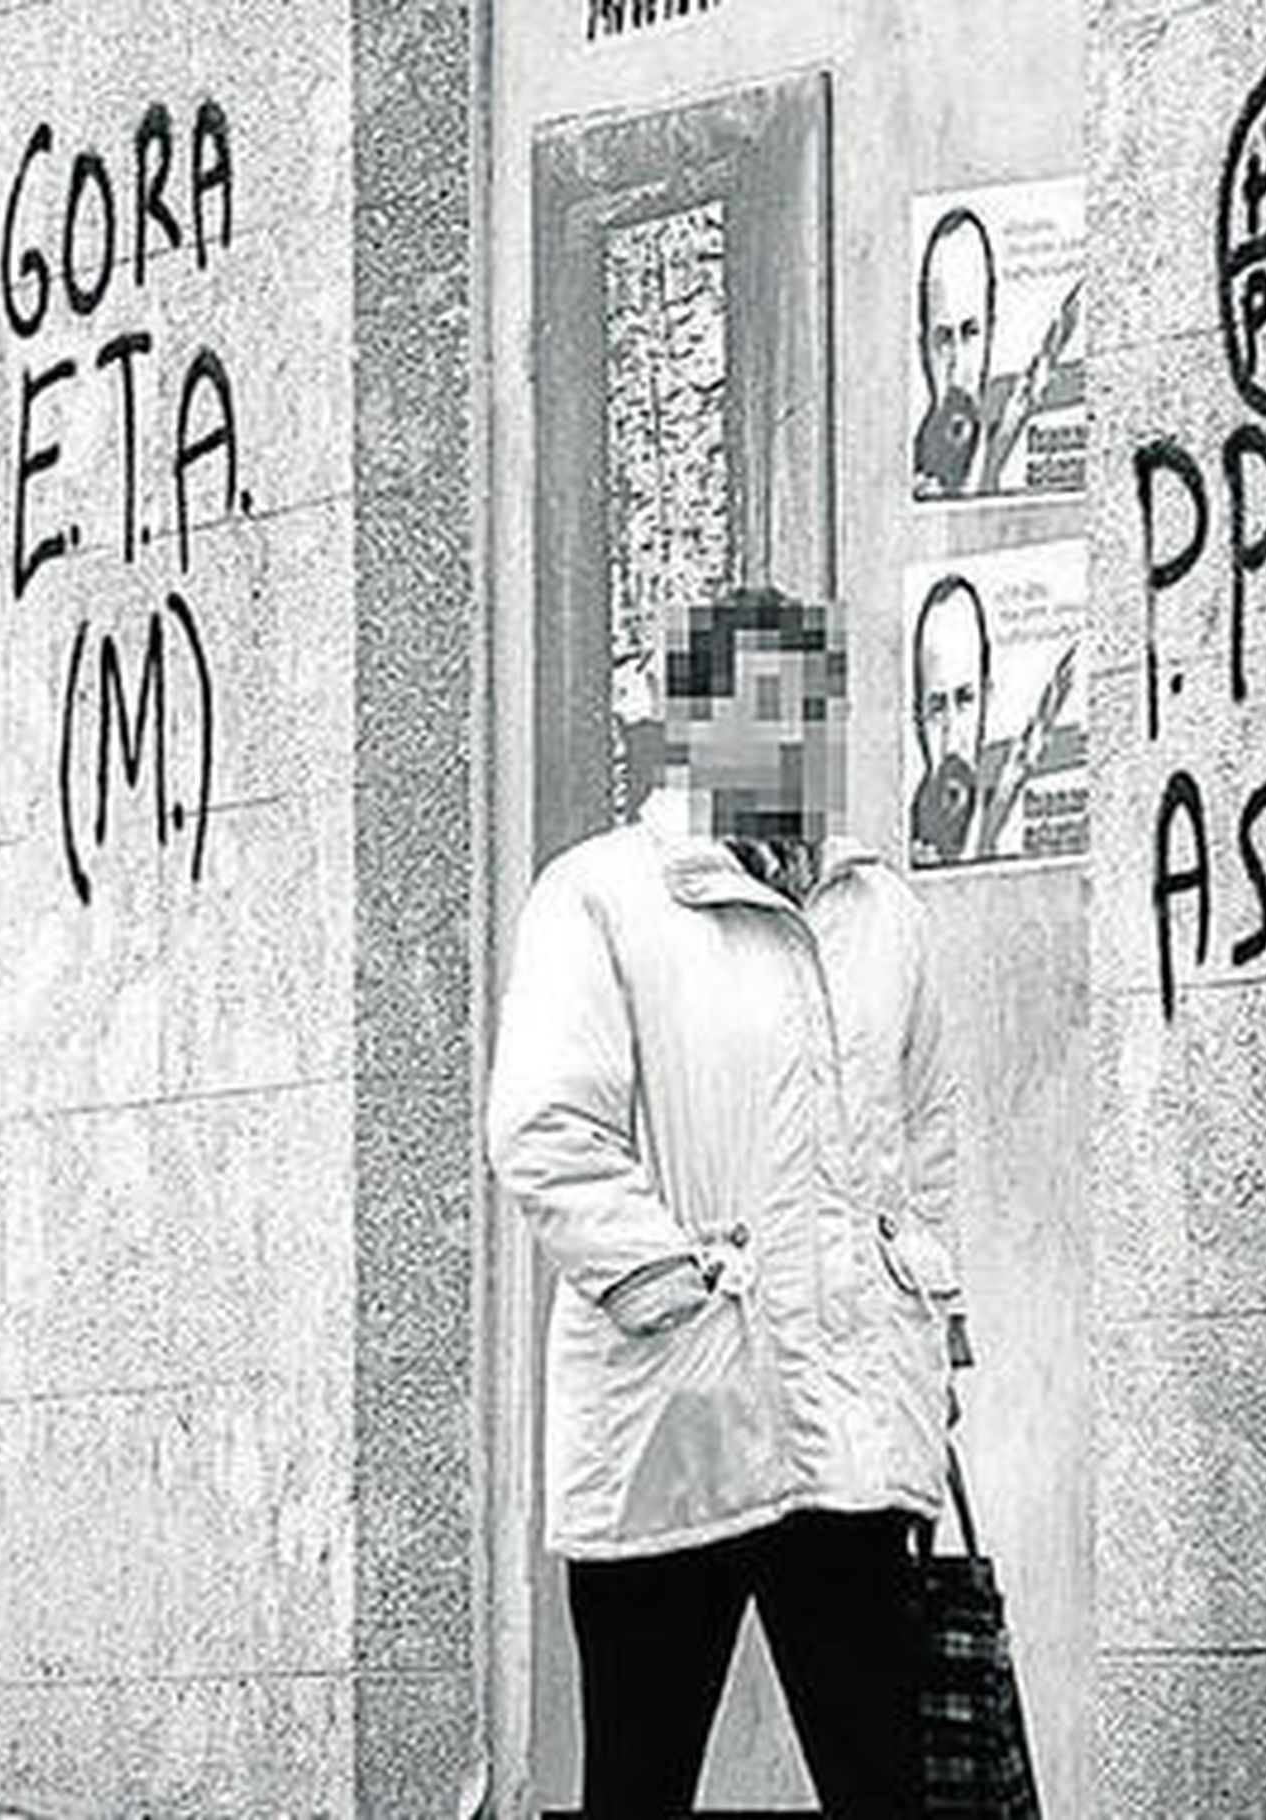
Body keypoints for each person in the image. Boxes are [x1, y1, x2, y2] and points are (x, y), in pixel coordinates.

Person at [487, 585, 969, 1818]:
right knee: (640, 1785)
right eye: (766, 711)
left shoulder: (881, 912)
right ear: (691, 728)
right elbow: (545, 1126)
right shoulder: (598, 896)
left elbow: (924, 1140)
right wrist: (669, 1289)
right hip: (675, 1417)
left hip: (849, 1425)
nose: (799, 740)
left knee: (888, 1784)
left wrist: (927, 1309)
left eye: (815, 710)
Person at [913, 206, 1083, 499]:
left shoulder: (1010, 402)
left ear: (991, 330)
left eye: (970, 334)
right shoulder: (910, 462)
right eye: (942, 339)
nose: (956, 367)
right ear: (922, 347)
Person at [910, 572, 1078, 866]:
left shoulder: (1007, 808)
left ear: (987, 699)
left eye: (965, 700)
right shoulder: (903, 835)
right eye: (937, 708)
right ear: (917, 722)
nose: (952, 737)